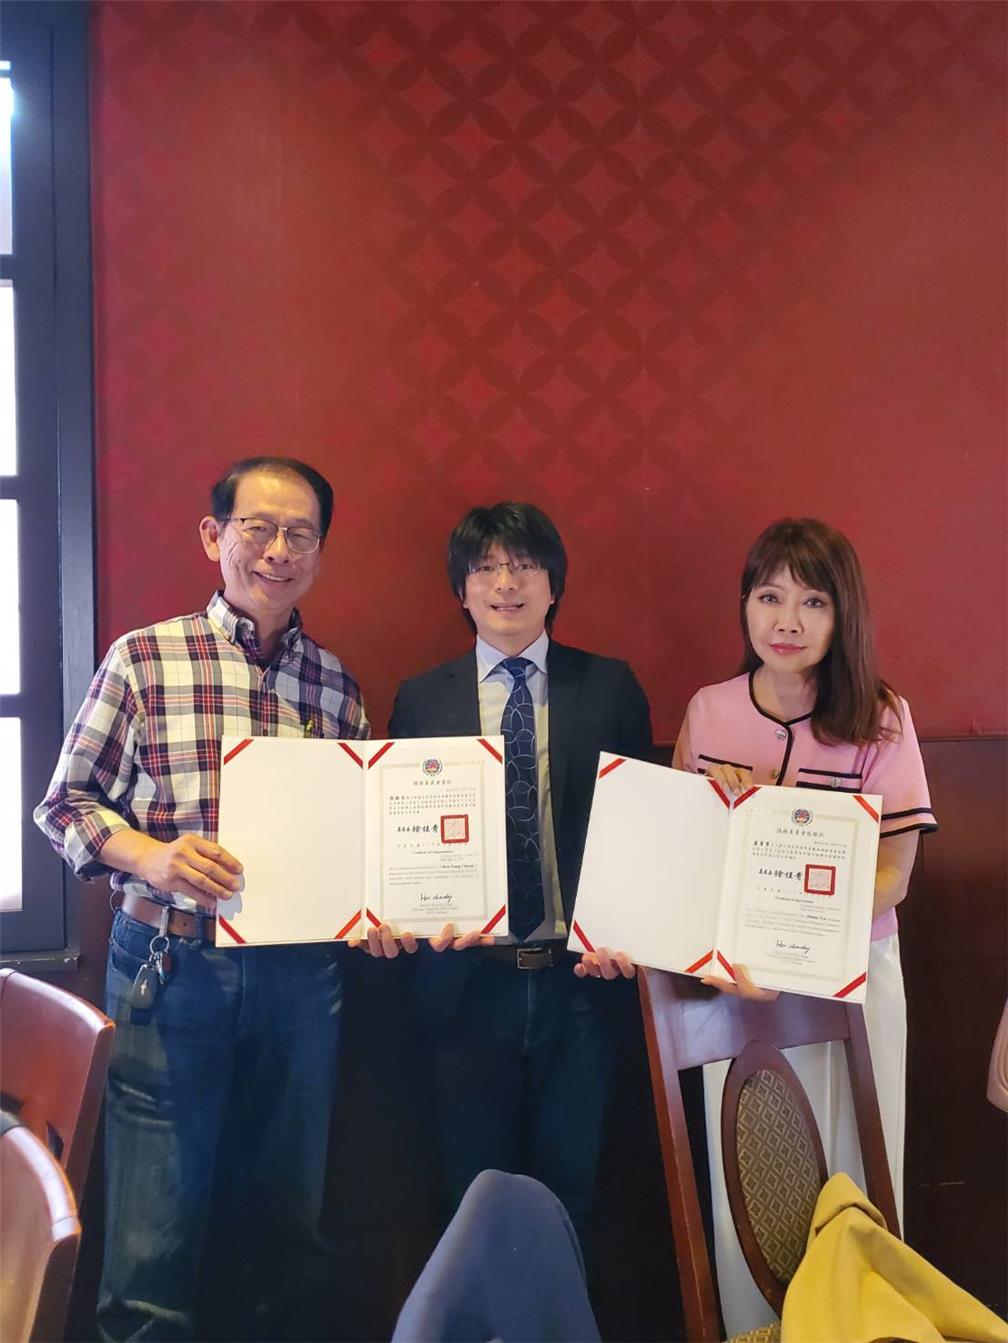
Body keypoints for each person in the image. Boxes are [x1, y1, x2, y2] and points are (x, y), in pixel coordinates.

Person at [34, 457, 368, 1343]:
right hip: (169, 966)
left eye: (300, 533)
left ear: (319, 551)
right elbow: (64, 804)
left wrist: (386, 909)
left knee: (286, 1222)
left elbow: (360, 840)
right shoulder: (144, 658)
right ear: (214, 537)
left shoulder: (336, 687)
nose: (279, 549)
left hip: (303, 977)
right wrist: (154, 856)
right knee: (151, 1235)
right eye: (259, 527)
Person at [579, 516, 936, 1335]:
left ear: (843, 614)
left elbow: (894, 874)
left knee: (855, 1169)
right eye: (769, 597)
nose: (787, 621)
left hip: (850, 981)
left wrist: (787, 934)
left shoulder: (882, 717)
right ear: (745, 605)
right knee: (752, 1188)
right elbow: (680, 852)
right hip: (731, 990)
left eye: (813, 602)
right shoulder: (710, 712)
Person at [361, 501, 652, 1244]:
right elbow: (401, 834)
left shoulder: (610, 685)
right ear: (461, 590)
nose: (505, 583)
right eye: (485, 567)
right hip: (466, 986)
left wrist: (632, 928)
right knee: (472, 1201)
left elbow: (644, 829)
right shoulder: (423, 695)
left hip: (579, 986)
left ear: (554, 583)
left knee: (573, 1196)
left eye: (524, 565)